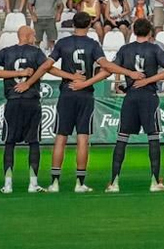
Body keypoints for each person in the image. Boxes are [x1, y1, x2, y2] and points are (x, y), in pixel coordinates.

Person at [42, 12, 109, 193]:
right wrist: (86, 82)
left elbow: (48, 66)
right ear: (89, 25)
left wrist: (70, 76)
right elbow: (106, 68)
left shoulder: (63, 43)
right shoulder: (93, 45)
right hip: (85, 94)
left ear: (73, 24)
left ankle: (54, 182)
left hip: (67, 92)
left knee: (60, 137)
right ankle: (80, 183)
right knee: (82, 138)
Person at [106, 18, 164, 192]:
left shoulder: (125, 49)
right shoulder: (155, 49)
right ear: (150, 32)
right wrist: (148, 80)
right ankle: (154, 181)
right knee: (153, 138)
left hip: (131, 96)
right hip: (149, 96)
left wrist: (128, 74)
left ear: (134, 32)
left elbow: (110, 67)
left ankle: (114, 182)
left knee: (122, 138)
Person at [0, 24, 49, 193]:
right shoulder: (36, 52)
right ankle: (33, 183)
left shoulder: (6, 52)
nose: (35, 38)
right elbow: (45, 67)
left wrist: (13, 74)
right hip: (31, 101)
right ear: (28, 36)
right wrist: (27, 80)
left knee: (10, 142)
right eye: (33, 35)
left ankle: (7, 184)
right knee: (34, 142)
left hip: (13, 101)